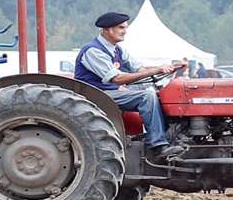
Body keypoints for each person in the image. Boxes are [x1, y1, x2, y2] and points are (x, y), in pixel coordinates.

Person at [73, 11, 187, 156]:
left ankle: (171, 136)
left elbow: (139, 69)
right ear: (107, 29)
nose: (125, 32)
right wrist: (156, 70)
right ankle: (158, 145)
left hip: (110, 92)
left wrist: (167, 67)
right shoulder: (93, 51)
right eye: (121, 28)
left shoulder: (117, 50)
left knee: (157, 94)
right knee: (147, 96)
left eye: (125, 27)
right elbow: (118, 79)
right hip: (95, 95)